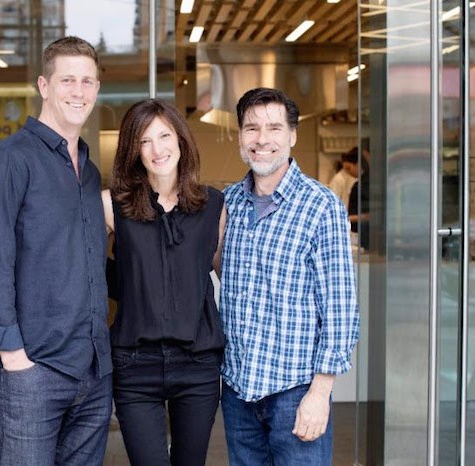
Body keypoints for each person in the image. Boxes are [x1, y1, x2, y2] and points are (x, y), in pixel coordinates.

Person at [0, 36, 112, 466]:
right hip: (33, 375)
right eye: (68, 80)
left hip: (91, 373)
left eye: (87, 81)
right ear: (44, 86)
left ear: (98, 89)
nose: (78, 91)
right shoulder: (9, 161)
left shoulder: (88, 171)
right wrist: (14, 358)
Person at [219, 87, 360, 465]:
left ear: (292, 136)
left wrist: (320, 392)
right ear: (239, 137)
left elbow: (340, 308)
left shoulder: (321, 206)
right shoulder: (229, 203)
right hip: (238, 391)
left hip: (295, 394)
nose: (262, 139)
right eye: (251, 128)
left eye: (274, 128)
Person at [102, 98, 226, 466]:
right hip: (134, 364)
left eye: (164, 135)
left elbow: (227, 277)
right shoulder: (111, 206)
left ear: (181, 139)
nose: (157, 149)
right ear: (132, 150)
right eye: (144, 141)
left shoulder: (213, 206)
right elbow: (85, 272)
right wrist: (128, 285)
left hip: (198, 363)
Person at [347, 145, 370, 250]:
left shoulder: (364, 185)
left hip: (366, 232)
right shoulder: (361, 184)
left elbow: (370, 215)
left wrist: (350, 218)